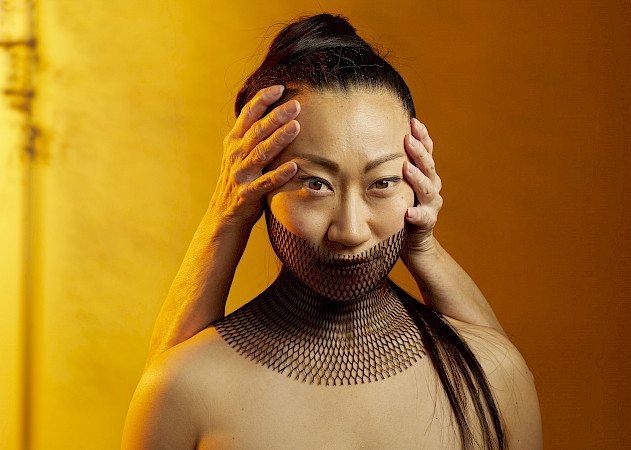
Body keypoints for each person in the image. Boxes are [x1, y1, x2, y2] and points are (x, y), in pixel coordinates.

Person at [122, 13, 542, 449]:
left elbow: (503, 374)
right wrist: (226, 216)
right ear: (255, 185)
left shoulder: (496, 372)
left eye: (383, 182)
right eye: (315, 185)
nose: (350, 231)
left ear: (418, 183)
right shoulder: (183, 385)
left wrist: (422, 243)